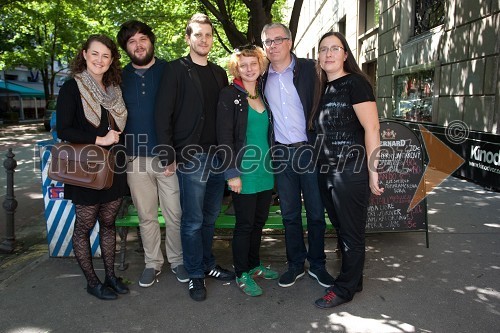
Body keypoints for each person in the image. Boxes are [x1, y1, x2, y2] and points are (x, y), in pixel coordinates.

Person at [155, 13, 234, 302]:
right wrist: (168, 155)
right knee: (192, 220)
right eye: (198, 35)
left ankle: (207, 264)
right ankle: (194, 274)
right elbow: (163, 113)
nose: (204, 40)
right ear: (188, 38)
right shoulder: (176, 70)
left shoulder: (218, 73)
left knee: (211, 216)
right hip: (190, 156)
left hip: (216, 157)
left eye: (208, 35)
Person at [310, 32, 384, 309]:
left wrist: (373, 171)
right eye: (323, 49)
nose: (328, 54)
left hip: (350, 171)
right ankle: (355, 278)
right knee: (342, 229)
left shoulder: (355, 84)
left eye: (334, 48)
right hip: (326, 170)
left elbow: (372, 128)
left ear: (345, 54)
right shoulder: (322, 87)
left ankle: (344, 289)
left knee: (351, 233)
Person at [260, 23, 335, 288]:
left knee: (316, 212)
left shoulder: (311, 70)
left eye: (279, 39)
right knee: (289, 214)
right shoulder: (260, 77)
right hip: (280, 154)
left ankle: (317, 264)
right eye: (268, 42)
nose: (274, 45)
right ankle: (295, 264)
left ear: (289, 42)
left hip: (309, 150)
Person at [56, 34, 129, 300]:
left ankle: (110, 276)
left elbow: (121, 125)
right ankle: (92, 281)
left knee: (108, 222)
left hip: (114, 166)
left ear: (112, 61)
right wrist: (100, 139)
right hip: (85, 168)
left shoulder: (114, 91)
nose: (100, 60)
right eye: (95, 54)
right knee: (84, 227)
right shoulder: (71, 88)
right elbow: (63, 129)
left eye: (106, 56)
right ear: (85, 54)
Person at [117, 20, 187, 288]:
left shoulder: (170, 71)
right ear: (126, 48)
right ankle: (151, 263)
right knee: (146, 216)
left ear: (151, 41)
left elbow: (179, 113)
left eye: (142, 38)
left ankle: (178, 260)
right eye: (132, 41)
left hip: (166, 157)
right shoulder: (119, 77)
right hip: (135, 158)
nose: (138, 45)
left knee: (174, 214)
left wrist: (176, 153)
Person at [216, 45, 279, 297]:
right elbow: (224, 137)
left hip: (266, 169)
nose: (249, 68)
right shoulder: (229, 95)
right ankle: (241, 272)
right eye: (244, 65)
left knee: (258, 222)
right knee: (244, 224)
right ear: (236, 68)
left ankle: (254, 265)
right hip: (243, 172)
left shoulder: (265, 93)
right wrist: (231, 173)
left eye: (254, 63)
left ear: (261, 65)